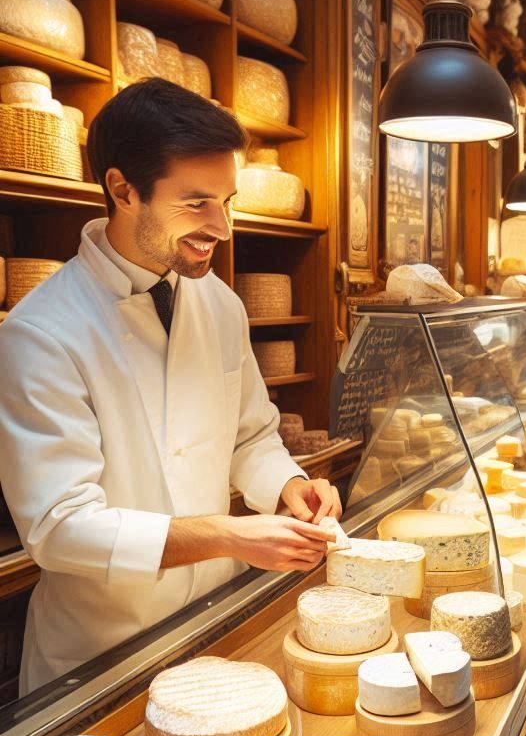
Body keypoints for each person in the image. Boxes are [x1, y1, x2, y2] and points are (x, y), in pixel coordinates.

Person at [0, 79, 340, 695]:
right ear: (122, 189)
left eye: (226, 201)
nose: (224, 227)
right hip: (98, 659)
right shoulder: (40, 334)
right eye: (196, 204)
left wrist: (289, 486)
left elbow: (250, 437)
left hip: (211, 625)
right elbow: (60, 528)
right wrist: (230, 535)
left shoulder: (221, 305)